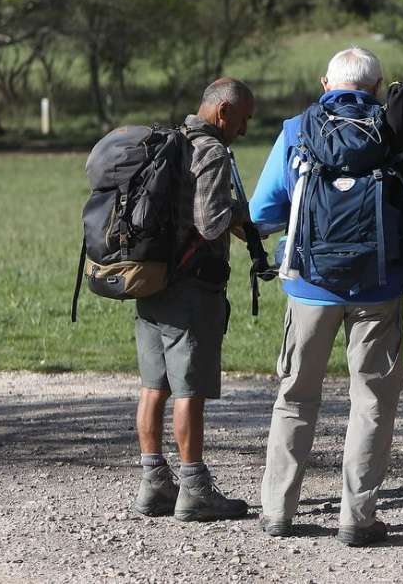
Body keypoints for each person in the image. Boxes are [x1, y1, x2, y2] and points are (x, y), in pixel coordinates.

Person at [250, 47, 403, 545]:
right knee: (372, 401)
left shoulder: (296, 130)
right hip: (378, 287)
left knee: (295, 396)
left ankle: (278, 511)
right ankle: (357, 518)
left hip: (309, 286)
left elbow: (263, 211)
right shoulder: (396, 135)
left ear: (323, 83)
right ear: (378, 88)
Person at [131, 78, 255, 522]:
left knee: (153, 387)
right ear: (222, 112)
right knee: (189, 391)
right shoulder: (213, 151)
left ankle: (153, 484)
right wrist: (244, 215)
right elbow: (210, 221)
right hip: (191, 288)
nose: (242, 130)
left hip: (151, 280)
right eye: (242, 120)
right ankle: (195, 487)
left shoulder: (168, 142)